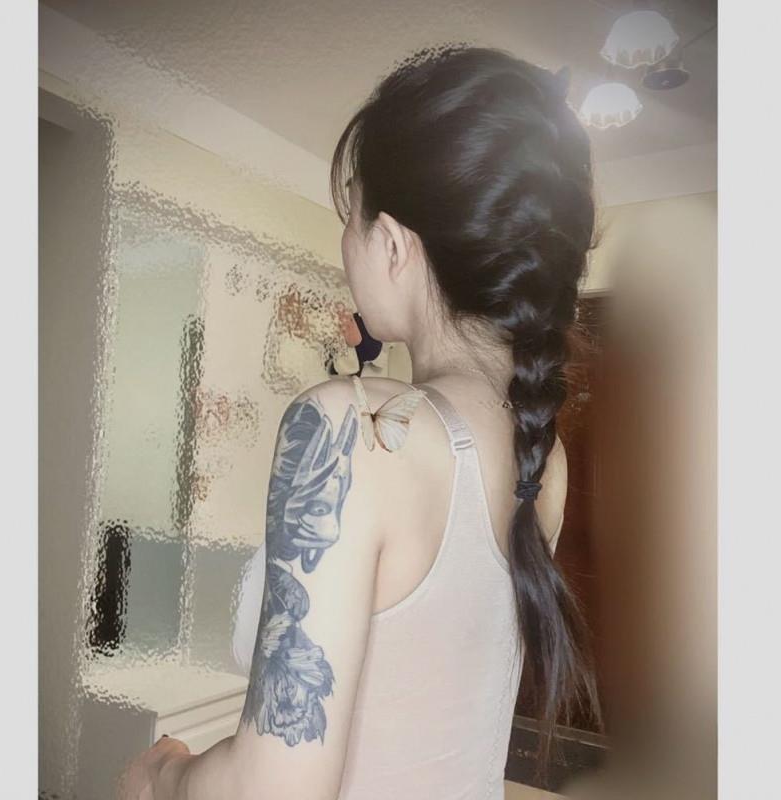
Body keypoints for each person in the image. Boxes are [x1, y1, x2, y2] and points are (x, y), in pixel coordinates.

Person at [119, 44, 599, 800]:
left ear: (395, 244)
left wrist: (162, 775)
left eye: (350, 216)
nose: (345, 242)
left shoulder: (355, 429)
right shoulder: (545, 453)